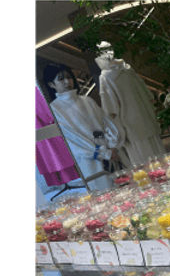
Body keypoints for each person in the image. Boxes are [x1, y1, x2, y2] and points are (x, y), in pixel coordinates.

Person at [43, 63, 125, 191]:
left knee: (127, 188)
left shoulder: (87, 101)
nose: (67, 81)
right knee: (105, 194)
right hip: (89, 160)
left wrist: (112, 145)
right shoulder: (55, 109)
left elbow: (106, 123)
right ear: (51, 84)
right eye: (61, 79)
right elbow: (74, 140)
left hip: (112, 154)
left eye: (69, 77)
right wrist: (104, 153)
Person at [95, 42, 165, 167]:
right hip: (143, 121)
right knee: (158, 157)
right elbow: (147, 95)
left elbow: (110, 110)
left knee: (146, 163)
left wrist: (114, 133)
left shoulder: (109, 76)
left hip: (133, 126)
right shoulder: (125, 69)